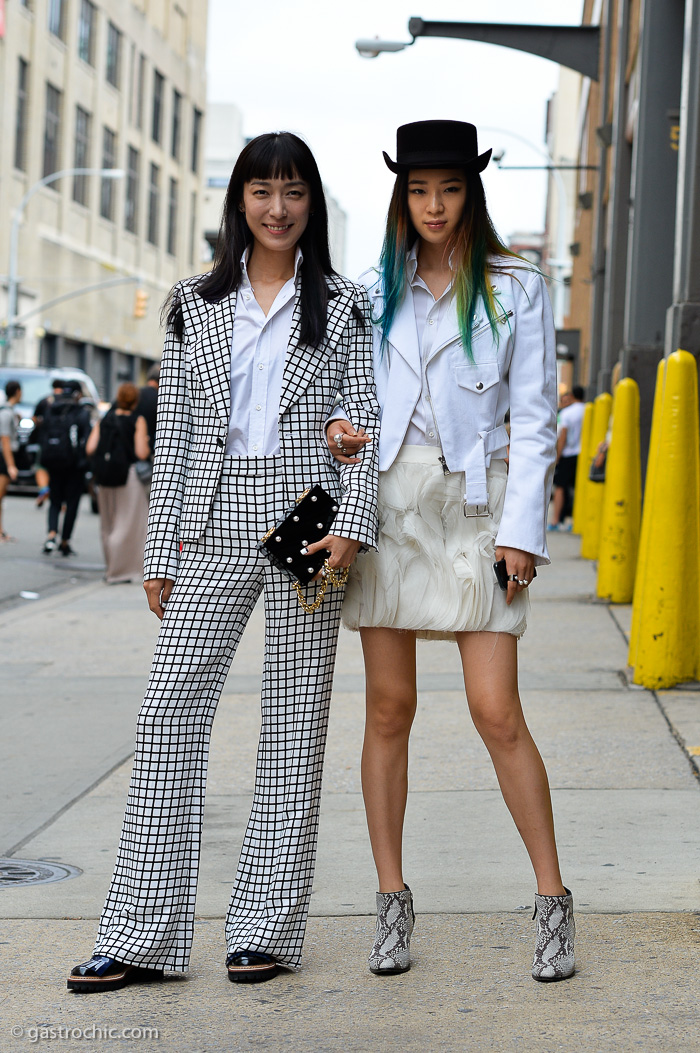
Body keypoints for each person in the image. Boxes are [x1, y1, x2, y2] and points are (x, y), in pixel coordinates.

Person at [68, 131, 378, 993]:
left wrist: (351, 522)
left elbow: (365, 421)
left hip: (307, 520)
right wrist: (160, 543)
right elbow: (174, 438)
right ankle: (139, 934)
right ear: (238, 200)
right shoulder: (192, 302)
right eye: (261, 191)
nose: (277, 209)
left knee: (293, 723)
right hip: (211, 517)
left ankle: (266, 928)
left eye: (293, 192)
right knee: (168, 710)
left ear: (312, 204)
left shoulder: (345, 303)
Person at [326, 121, 574, 982]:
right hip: (390, 505)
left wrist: (522, 534)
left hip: (478, 506)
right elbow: (345, 397)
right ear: (404, 196)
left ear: (473, 192)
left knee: (495, 710)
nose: (434, 206)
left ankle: (551, 901)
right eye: (420, 190)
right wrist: (341, 429)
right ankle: (391, 901)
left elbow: (536, 417)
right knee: (388, 710)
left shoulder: (517, 287)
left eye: (451, 189)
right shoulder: (369, 291)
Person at [86, 382, 151, 583]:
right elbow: (141, 452)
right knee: (128, 524)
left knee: (108, 524)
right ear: (135, 401)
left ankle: (110, 568)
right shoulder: (137, 420)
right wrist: (147, 443)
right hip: (128, 476)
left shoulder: (104, 419)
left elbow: (90, 448)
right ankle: (122, 571)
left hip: (105, 476)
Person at [41, 380, 91, 556]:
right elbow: (87, 439)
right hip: (75, 466)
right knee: (72, 504)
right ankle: (64, 541)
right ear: (78, 393)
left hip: (54, 462)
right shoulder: (81, 413)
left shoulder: (51, 408)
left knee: (54, 501)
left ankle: (51, 534)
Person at [549, 384, 586, 531]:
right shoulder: (588, 410)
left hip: (568, 453)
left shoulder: (567, 413)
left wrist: (557, 456)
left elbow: (563, 435)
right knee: (578, 488)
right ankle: (575, 520)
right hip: (583, 454)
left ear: (572, 396)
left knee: (560, 488)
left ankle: (556, 520)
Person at [32, 378, 65, 507]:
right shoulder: (67, 402)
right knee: (59, 471)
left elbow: (34, 419)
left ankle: (44, 489)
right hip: (63, 444)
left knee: (40, 467)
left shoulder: (45, 401)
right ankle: (61, 500)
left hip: (45, 441)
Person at [0, 380, 22, 541]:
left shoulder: (10, 411)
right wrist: (11, 465)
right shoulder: (6, 412)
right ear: (17, 392)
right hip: (3, 457)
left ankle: (1, 530)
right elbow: (5, 440)